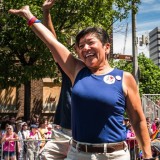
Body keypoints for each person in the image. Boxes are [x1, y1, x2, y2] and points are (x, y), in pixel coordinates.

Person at [9, 5, 153, 160]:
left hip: (114, 155)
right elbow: (50, 41)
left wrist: (148, 155)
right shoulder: (76, 70)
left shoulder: (124, 78)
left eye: (91, 42)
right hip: (78, 153)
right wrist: (28, 15)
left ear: (107, 47)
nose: (85, 48)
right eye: (81, 45)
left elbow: (138, 120)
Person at [40, 0, 72, 159]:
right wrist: (46, 12)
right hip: (63, 133)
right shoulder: (72, 70)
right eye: (81, 46)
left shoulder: (106, 76)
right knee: (45, 156)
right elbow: (53, 42)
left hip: (86, 135)